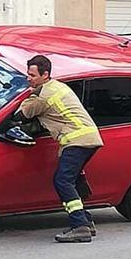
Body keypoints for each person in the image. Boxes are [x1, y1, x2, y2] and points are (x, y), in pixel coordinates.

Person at [17, 54, 104, 243]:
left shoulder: (43, 95)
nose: (28, 78)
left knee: (62, 181)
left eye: (32, 75)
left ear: (45, 74)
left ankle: (80, 226)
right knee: (71, 179)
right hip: (88, 137)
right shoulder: (57, 86)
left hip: (77, 140)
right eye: (27, 74)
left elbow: (21, 114)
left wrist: (21, 94)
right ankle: (86, 221)